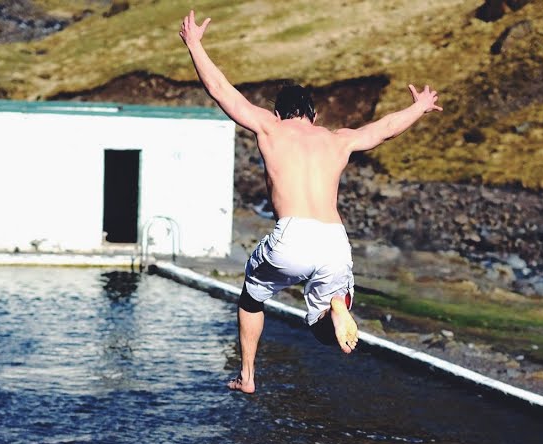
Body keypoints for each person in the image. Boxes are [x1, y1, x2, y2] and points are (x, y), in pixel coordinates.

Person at [179, 9, 443, 394]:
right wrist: (418, 107)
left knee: (252, 296)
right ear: (314, 115)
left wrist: (195, 45)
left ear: (278, 113)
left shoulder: (269, 128)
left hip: (291, 237)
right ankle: (337, 305)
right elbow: (384, 130)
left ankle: (248, 375)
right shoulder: (337, 139)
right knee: (322, 324)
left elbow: (221, 90)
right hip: (334, 238)